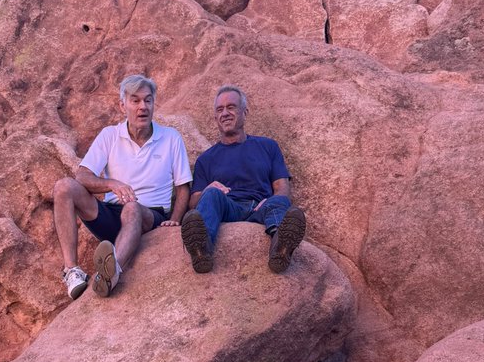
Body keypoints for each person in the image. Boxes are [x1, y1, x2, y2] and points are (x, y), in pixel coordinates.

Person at [53, 74, 192, 299]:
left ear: (154, 104)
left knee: (132, 208)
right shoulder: (110, 135)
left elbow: (183, 186)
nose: (142, 107)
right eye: (135, 101)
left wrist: (175, 219)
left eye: (148, 100)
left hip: (150, 215)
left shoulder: (171, 138)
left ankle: (111, 272)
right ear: (122, 105)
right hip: (112, 213)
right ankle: (72, 271)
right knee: (63, 187)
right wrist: (111, 183)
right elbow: (83, 176)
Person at [181, 85, 306, 275]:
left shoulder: (268, 146)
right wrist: (207, 190)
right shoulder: (205, 159)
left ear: (244, 112)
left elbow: (281, 186)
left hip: (261, 207)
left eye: (231, 107)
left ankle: (281, 249)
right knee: (211, 194)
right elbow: (193, 201)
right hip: (228, 207)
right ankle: (201, 250)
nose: (225, 113)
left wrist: (271, 199)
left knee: (280, 201)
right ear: (215, 118)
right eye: (220, 110)